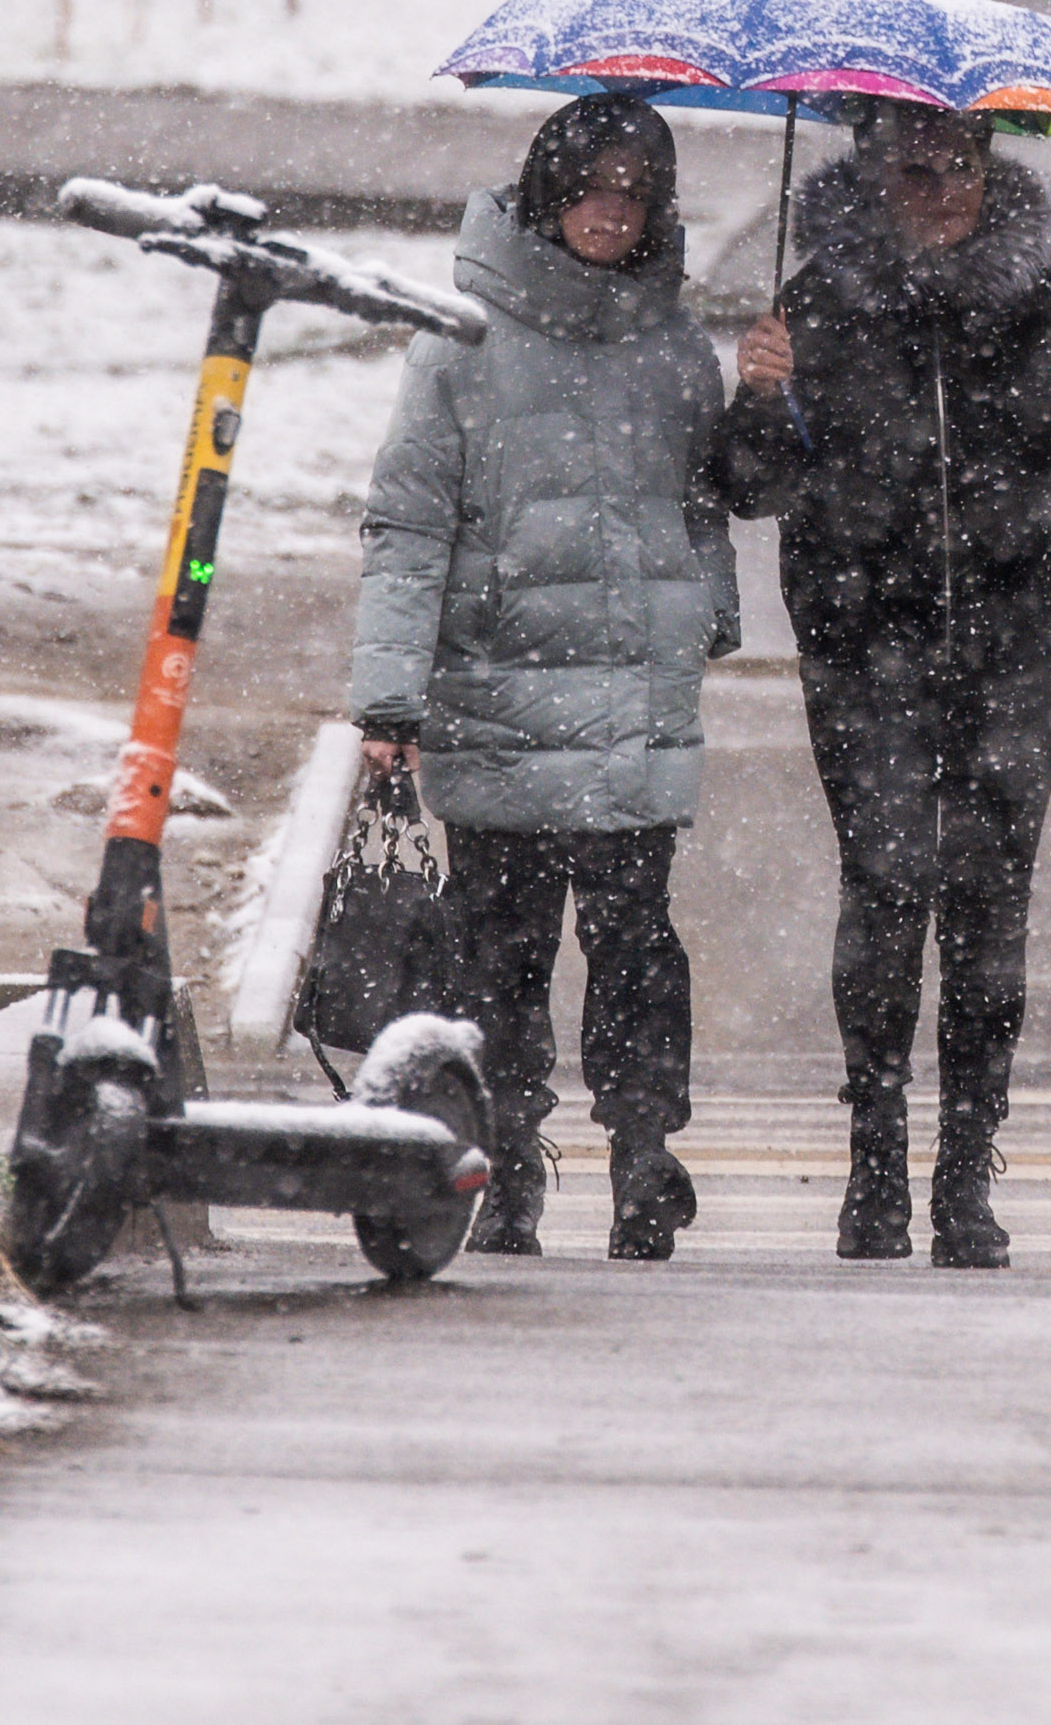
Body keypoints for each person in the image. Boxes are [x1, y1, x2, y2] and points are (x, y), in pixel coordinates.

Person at [722, 101, 1051, 1264]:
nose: (942, 192)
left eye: (960, 168)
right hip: (864, 651)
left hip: (1019, 653)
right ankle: (875, 1157)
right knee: (883, 887)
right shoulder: (817, 300)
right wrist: (760, 394)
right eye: (916, 172)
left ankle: (967, 1166)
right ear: (873, 176)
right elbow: (749, 488)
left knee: (988, 902)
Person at [351, 91, 748, 1260]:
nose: (613, 210)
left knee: (636, 945)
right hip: (498, 698)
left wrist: (705, 608)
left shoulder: (675, 345)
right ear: (547, 189)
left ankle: (641, 1157)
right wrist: (388, 696)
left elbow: (700, 501)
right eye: (594, 184)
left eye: (637, 190)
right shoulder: (459, 339)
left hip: (632, 700)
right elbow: (407, 524)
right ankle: (505, 1162)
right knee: (502, 952)